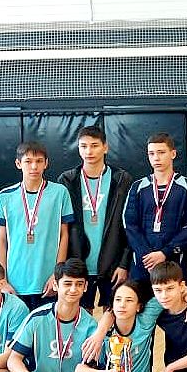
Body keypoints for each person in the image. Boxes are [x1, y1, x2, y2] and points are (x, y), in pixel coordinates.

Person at [57, 125, 134, 310]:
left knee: (114, 314)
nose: (89, 151)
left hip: (113, 263)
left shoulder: (122, 179)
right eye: (83, 146)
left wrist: (124, 263)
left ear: (105, 147)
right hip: (78, 263)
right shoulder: (67, 180)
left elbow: (130, 226)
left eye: (94, 145)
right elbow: (61, 228)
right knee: (81, 316)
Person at [0, 141, 74, 310]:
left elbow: (64, 235)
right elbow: (1, 240)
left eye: (39, 161)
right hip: (15, 284)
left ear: (46, 163)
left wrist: (57, 274)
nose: (34, 166)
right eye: (28, 161)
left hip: (48, 283)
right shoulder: (4, 197)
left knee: (47, 326)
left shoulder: (60, 193)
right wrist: (2, 280)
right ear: (18, 163)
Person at [122, 133, 187, 292]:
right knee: (141, 306)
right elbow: (130, 224)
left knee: (174, 305)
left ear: (173, 154)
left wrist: (165, 252)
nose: (156, 158)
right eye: (151, 153)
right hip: (143, 263)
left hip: (174, 263)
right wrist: (147, 255)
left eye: (161, 152)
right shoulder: (138, 187)